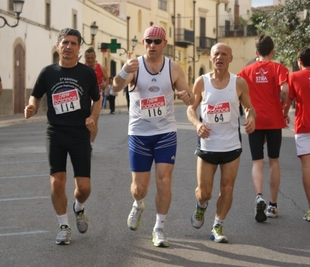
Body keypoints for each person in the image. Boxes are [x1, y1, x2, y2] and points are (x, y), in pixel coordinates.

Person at [112, 25, 194, 247]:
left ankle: (159, 228)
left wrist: (187, 96)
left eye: (157, 41)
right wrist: (124, 71)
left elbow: (191, 97)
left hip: (165, 132)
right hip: (139, 133)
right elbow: (115, 87)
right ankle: (138, 204)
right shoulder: (134, 66)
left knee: (164, 180)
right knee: (140, 187)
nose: (152, 45)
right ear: (143, 43)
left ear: (164, 44)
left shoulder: (173, 68)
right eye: (148, 41)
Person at [25, 28, 101, 245]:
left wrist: (93, 117)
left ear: (78, 48)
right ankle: (63, 226)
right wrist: (31, 107)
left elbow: (97, 100)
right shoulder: (48, 72)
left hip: (79, 134)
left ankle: (79, 207)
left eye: (73, 43)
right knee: (57, 182)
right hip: (56, 133)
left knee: (84, 188)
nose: (68, 47)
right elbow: (35, 95)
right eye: (65, 42)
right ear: (58, 45)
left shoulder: (87, 73)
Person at [187, 43, 256, 243]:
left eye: (224, 54)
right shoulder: (201, 82)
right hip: (207, 145)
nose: (220, 57)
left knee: (227, 188)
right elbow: (191, 109)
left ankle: (218, 225)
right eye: (216, 54)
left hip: (231, 146)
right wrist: (197, 123)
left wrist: (251, 118)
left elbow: (249, 108)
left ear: (231, 58)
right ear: (210, 58)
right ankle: (201, 207)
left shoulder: (239, 83)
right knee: (204, 192)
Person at [237, 34, 290, 222]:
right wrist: (284, 109)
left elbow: (238, 91)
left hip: (255, 121)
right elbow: (285, 91)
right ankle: (273, 205)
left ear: (256, 52)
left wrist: (245, 109)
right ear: (272, 51)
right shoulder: (279, 68)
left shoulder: (246, 71)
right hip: (274, 121)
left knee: (257, 162)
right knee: (274, 161)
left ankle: (259, 195)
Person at [286, 47, 310, 222]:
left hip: (303, 126)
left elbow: (288, 99)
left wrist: (283, 114)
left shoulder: (294, 76)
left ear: (300, 62)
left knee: (307, 167)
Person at [84, 47, 109, 147]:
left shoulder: (101, 68)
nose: (90, 60)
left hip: (97, 98)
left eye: (91, 58)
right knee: (85, 120)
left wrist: (105, 84)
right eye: (88, 58)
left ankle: (90, 143)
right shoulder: (82, 67)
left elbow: (107, 79)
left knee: (94, 120)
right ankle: (85, 141)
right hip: (85, 97)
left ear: (95, 57)